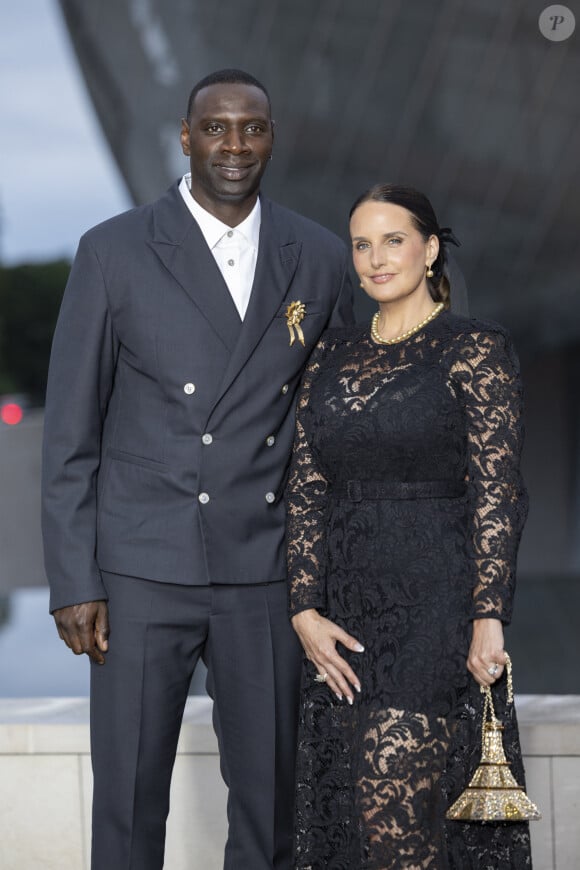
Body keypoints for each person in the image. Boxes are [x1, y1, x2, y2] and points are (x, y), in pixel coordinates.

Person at [41, 68, 354, 870]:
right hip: (144, 571)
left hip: (267, 568)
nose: (234, 145)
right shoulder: (113, 251)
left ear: (272, 137)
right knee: (129, 801)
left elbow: (336, 428)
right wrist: (76, 576)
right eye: (216, 128)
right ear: (186, 138)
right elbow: (71, 434)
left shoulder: (318, 256)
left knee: (274, 806)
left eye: (251, 127)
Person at [286, 184, 532, 868]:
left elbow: (498, 488)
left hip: (436, 605)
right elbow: (306, 487)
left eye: (393, 240)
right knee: (354, 816)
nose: (375, 258)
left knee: (399, 813)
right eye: (361, 244)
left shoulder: (473, 349)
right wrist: (303, 609)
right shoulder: (327, 360)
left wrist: (489, 614)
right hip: (345, 613)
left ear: (429, 249)